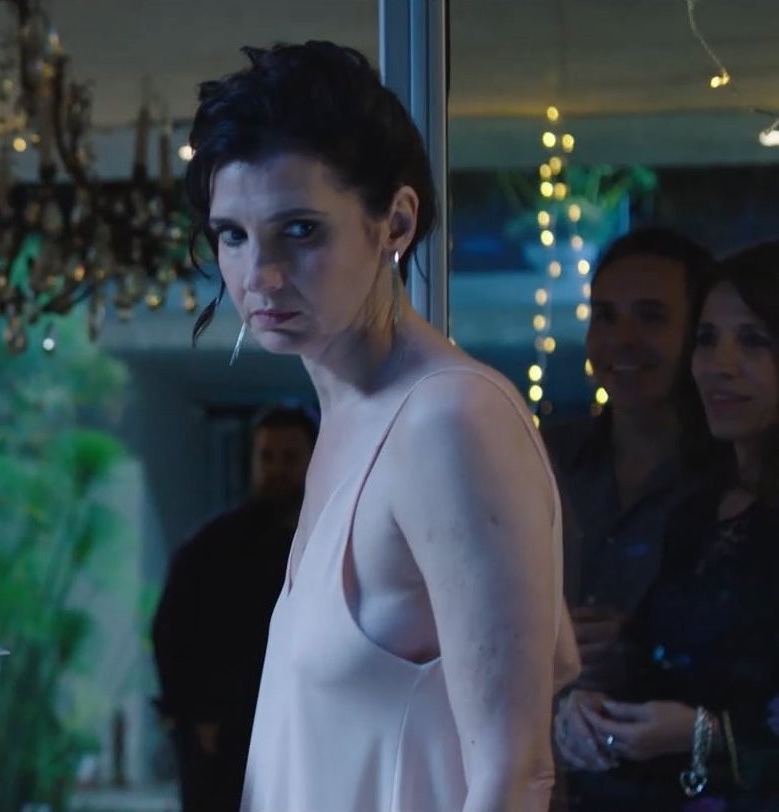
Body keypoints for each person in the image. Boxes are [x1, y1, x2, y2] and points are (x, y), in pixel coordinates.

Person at [184, 43, 578, 812]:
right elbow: (552, 651)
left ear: (395, 221)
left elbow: (516, 771)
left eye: (299, 230)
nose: (258, 275)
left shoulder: (448, 420)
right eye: (232, 234)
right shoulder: (350, 418)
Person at [557, 242, 779, 810]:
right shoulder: (701, 511)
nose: (720, 363)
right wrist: (586, 701)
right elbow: (679, 672)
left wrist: (709, 734)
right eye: (708, 338)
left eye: (754, 340)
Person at [540, 228, 718, 810]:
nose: (623, 339)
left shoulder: (736, 481)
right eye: (607, 316)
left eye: (651, 316)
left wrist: (645, 653)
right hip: (550, 785)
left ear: (698, 333)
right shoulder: (544, 458)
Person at [151, 405, 316, 812]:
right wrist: (198, 716)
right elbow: (170, 632)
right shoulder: (210, 547)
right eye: (267, 457)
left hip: (307, 731)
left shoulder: (329, 540)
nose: (277, 470)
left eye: (290, 457)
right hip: (224, 737)